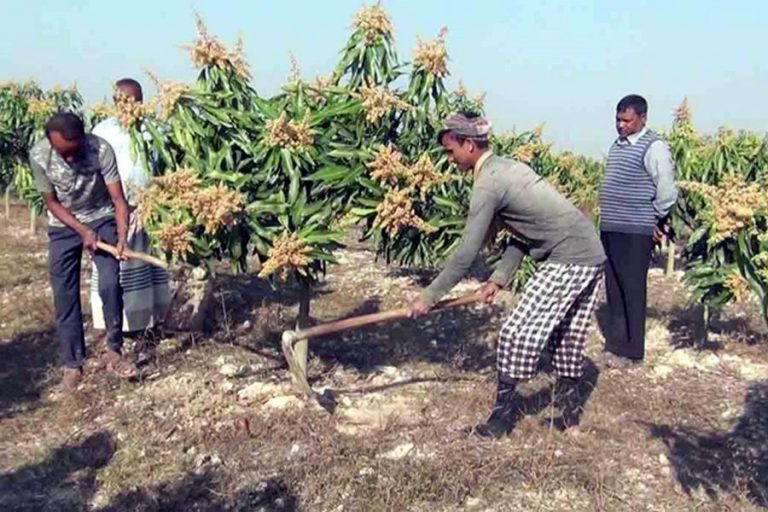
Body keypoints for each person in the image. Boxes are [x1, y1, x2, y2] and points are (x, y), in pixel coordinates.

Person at [409, 112, 606, 438]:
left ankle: (500, 421)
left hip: (570, 256)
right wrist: (498, 279)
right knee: (567, 338)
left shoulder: (489, 182)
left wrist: (428, 297)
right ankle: (569, 419)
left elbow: (465, 254)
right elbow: (522, 233)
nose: (449, 158)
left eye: (450, 151)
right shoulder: (508, 167)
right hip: (591, 252)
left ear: (469, 145)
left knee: (515, 332)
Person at [30, 112, 136, 390]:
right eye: (62, 154)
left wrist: (121, 238)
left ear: (83, 138)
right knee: (65, 293)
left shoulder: (101, 149)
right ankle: (73, 363)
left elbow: (118, 199)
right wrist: (81, 230)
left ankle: (114, 351)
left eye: (73, 152)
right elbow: (52, 203)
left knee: (111, 283)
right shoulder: (40, 155)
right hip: (63, 224)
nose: (69, 160)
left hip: (101, 216)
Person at [598, 95, 678, 367]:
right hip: (611, 228)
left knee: (632, 289)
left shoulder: (654, 147)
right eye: (618, 120)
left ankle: (633, 352)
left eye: (627, 120)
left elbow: (667, 191)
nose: (621, 125)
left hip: (635, 231)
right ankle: (616, 345)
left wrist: (655, 219)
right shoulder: (618, 145)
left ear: (643, 118)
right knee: (614, 288)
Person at [90, 78, 170, 337]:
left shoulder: (155, 129)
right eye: (125, 101)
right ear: (115, 102)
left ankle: (150, 325)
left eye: (135, 101)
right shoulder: (102, 132)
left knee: (147, 272)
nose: (130, 106)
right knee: (117, 271)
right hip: (113, 210)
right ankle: (118, 328)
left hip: (148, 208)